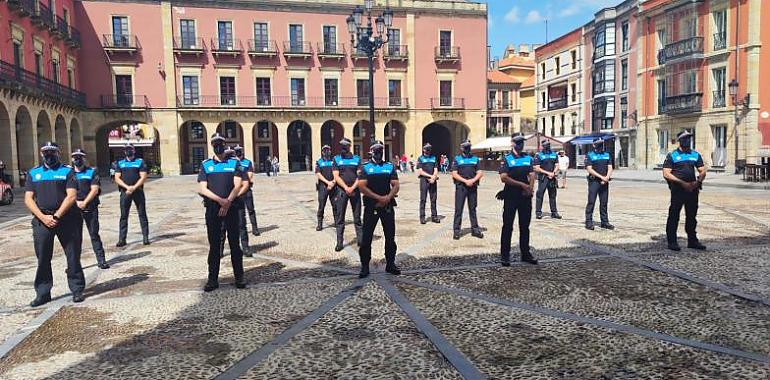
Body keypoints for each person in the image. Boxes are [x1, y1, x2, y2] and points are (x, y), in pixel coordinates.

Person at [25, 142, 85, 306]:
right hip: (42, 220)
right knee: (43, 257)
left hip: (66, 219)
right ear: (41, 153)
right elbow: (28, 198)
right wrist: (43, 217)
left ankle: (77, 289)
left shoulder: (67, 171)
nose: (49, 155)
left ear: (58, 153)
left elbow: (71, 196)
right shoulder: (34, 173)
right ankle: (43, 293)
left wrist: (57, 216)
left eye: (52, 152)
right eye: (46, 152)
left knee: (72, 256)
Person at [197, 134, 246, 292]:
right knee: (214, 246)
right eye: (215, 144)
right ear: (212, 146)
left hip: (231, 209)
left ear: (225, 145)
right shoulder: (206, 165)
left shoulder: (234, 163)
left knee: (234, 245)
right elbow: (202, 188)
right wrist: (220, 201)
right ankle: (212, 279)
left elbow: (237, 185)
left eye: (221, 144)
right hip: (213, 209)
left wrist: (228, 201)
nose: (218, 146)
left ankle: (239, 277)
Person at [358, 140, 400, 278]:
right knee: (366, 238)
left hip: (387, 205)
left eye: (380, 150)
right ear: (371, 152)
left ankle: (390, 264)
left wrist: (387, 197)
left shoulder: (389, 167)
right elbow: (362, 186)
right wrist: (378, 198)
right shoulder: (366, 168)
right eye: (376, 150)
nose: (378, 153)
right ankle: (365, 266)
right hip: (371, 206)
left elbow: (395, 184)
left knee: (390, 237)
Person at [663, 130, 707, 251]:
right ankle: (672, 241)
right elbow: (666, 173)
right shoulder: (672, 155)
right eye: (685, 139)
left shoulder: (695, 154)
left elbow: (702, 170)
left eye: (689, 138)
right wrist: (682, 183)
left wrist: (698, 182)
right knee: (674, 215)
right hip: (678, 190)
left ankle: (692, 240)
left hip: (692, 190)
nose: (687, 141)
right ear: (680, 141)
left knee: (692, 216)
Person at [498, 134, 538, 266]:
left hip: (525, 197)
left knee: (525, 227)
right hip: (511, 196)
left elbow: (532, 174)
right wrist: (522, 185)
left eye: (522, 142)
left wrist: (530, 189)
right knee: (508, 226)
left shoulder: (528, 158)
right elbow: (504, 177)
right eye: (518, 142)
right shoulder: (507, 159)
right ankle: (505, 255)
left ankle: (525, 254)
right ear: (513, 143)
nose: (521, 145)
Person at [71, 149, 109, 269]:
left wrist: (85, 202)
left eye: (80, 157)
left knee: (94, 234)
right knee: (75, 237)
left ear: (84, 159)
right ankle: (75, 264)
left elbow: (95, 189)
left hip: (90, 207)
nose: (77, 159)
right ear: (72, 159)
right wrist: (76, 202)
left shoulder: (91, 171)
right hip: (74, 208)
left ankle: (101, 260)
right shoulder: (69, 173)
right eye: (75, 157)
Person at [114, 143, 149, 246]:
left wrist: (134, 187)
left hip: (138, 191)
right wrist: (127, 187)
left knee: (142, 214)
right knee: (124, 216)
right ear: (124, 151)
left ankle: (145, 237)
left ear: (134, 150)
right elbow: (117, 178)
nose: (128, 151)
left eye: (130, 149)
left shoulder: (140, 162)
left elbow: (143, 177)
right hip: (125, 192)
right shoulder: (120, 163)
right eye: (126, 149)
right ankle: (122, 239)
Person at [332, 138, 363, 251]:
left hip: (355, 190)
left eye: (345, 146)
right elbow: (336, 176)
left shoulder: (357, 159)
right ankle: (339, 243)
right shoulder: (336, 159)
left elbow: (360, 175)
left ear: (350, 146)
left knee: (357, 218)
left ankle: (360, 240)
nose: (343, 148)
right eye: (342, 146)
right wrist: (346, 188)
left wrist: (352, 187)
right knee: (340, 218)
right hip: (341, 191)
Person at [451, 140, 484, 240]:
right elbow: (454, 173)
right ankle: (457, 231)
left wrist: (473, 180)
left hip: (473, 186)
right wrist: (465, 181)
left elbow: (480, 172)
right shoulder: (457, 159)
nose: (467, 149)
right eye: (465, 147)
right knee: (458, 209)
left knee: (473, 209)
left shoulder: (475, 159)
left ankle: (475, 229)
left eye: (468, 147)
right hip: (461, 187)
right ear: (461, 148)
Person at [584, 137, 614, 230]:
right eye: (598, 143)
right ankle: (589, 222)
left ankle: (604, 222)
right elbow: (589, 169)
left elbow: (610, 167)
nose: (600, 145)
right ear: (594, 145)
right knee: (591, 202)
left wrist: (607, 177)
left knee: (604, 203)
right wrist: (601, 177)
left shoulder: (607, 154)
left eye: (601, 143)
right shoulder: (590, 155)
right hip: (594, 181)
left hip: (605, 181)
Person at [235, 146, 259, 236]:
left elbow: (249, 176)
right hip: (237, 190)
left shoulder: (247, 162)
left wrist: (240, 177)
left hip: (247, 190)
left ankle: (255, 228)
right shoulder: (233, 163)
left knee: (251, 210)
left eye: (239, 151)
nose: (238, 153)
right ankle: (239, 229)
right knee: (239, 212)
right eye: (237, 152)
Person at [533, 140, 561, 219]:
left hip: (552, 178)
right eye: (546, 145)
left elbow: (557, 165)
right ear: (542, 146)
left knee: (553, 195)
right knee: (540, 195)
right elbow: (536, 168)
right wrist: (548, 173)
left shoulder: (554, 154)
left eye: (548, 145)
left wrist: (553, 173)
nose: (547, 146)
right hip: (543, 178)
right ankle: (538, 212)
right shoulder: (539, 155)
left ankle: (554, 212)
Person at [315, 145, 337, 231]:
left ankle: (336, 222)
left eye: (328, 150)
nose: (327, 152)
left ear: (330, 151)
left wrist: (333, 182)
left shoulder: (334, 162)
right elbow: (318, 174)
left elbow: (337, 173)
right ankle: (319, 224)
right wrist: (328, 182)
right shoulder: (319, 162)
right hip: (323, 187)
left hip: (334, 186)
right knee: (321, 206)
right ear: (322, 152)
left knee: (335, 205)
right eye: (325, 150)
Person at [416, 143, 439, 224]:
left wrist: (434, 176)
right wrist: (431, 177)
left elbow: (436, 169)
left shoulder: (433, 158)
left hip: (433, 180)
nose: (428, 150)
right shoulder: (420, 158)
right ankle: (422, 217)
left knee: (433, 199)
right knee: (423, 199)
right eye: (426, 148)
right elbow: (420, 171)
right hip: (424, 180)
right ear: (423, 149)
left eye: (429, 148)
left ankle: (434, 216)